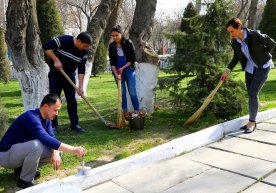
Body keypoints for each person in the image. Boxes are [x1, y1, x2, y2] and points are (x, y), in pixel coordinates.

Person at [0, 93, 86, 189]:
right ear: (46, 106)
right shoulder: (31, 117)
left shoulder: (47, 119)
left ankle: (22, 170)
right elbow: (43, 137)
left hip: (17, 154)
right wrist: (72, 149)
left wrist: (56, 152)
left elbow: (51, 137)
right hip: (5, 155)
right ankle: (24, 181)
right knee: (36, 145)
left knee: (57, 151)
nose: (57, 113)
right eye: (55, 110)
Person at [221, 18, 276, 134]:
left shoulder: (253, 35)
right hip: (250, 68)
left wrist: (264, 55)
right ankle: (252, 120)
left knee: (253, 93)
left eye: (232, 31)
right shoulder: (235, 42)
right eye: (229, 32)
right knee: (250, 94)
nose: (231, 34)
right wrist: (228, 69)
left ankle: (252, 122)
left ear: (240, 27)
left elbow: (271, 43)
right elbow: (236, 57)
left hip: (263, 66)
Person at [43, 32, 92, 132]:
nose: (85, 48)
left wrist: (81, 87)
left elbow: (81, 69)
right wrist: (56, 60)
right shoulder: (64, 40)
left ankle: (75, 124)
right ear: (78, 41)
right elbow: (46, 47)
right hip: (55, 76)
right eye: (85, 45)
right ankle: (53, 125)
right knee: (54, 100)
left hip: (69, 77)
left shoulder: (84, 52)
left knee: (71, 101)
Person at [108, 25, 140, 115]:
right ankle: (125, 113)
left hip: (129, 69)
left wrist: (122, 68)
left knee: (132, 91)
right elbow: (112, 62)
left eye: (116, 35)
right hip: (117, 72)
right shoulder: (111, 46)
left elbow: (132, 59)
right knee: (122, 93)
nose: (114, 37)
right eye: (112, 36)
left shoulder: (128, 43)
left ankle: (137, 111)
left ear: (121, 34)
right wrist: (115, 74)